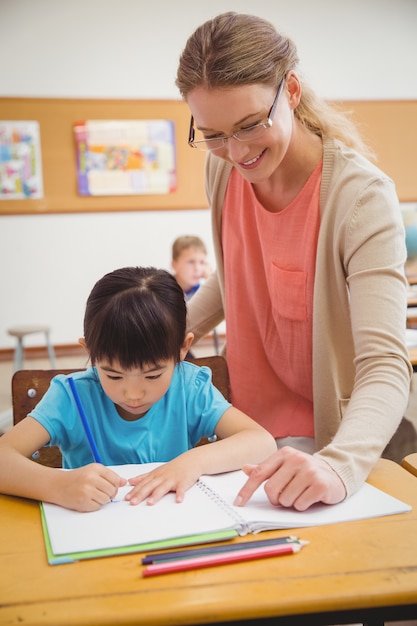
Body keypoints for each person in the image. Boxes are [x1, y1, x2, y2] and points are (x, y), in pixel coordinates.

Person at [175, 11, 413, 511]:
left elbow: (386, 365)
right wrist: (169, 328)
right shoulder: (222, 170)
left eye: (250, 125)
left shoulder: (360, 199)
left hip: (328, 441)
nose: (236, 152)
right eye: (213, 133)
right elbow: (240, 270)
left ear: (294, 91)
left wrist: (339, 463)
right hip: (251, 433)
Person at [0, 266, 276, 512]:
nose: (133, 394)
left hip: (172, 530)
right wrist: (58, 486)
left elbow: (262, 443)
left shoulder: (189, 388)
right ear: (90, 352)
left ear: (182, 349)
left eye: (153, 375)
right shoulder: (71, 397)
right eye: (114, 375)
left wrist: (191, 463)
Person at [171, 235, 211, 300]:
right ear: (174, 265)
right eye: (191, 262)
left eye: (202, 262)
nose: (197, 268)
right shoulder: (164, 290)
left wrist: (210, 278)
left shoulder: (203, 293)